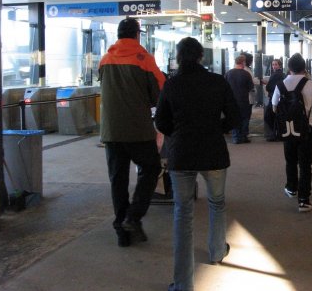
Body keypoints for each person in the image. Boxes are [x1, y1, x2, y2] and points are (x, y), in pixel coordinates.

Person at [154, 37, 240, 291]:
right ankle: (216, 252)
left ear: (179, 57)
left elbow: (161, 121)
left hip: (181, 155)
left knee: (183, 213)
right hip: (213, 152)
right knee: (217, 203)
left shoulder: (172, 85)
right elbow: (235, 116)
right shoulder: (217, 82)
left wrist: (177, 133)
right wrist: (218, 129)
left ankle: (183, 284)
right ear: (201, 56)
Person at [98, 17, 165, 247]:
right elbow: (160, 92)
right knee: (151, 168)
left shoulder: (105, 59)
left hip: (111, 132)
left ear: (118, 35)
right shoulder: (144, 59)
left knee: (118, 179)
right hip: (138, 130)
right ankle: (133, 217)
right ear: (137, 35)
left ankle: (122, 233)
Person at [272, 53, 312, 212]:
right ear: (304, 68)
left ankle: (291, 188)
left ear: (289, 68)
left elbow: (274, 107)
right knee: (305, 164)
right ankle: (304, 200)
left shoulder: (280, 84)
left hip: (288, 129)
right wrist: (310, 112)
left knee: (290, 160)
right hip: (305, 129)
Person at [225, 55, 254, 143]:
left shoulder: (228, 73)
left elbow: (225, 87)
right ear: (243, 63)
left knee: (234, 118)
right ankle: (243, 136)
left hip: (232, 100)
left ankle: (235, 137)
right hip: (244, 100)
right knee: (244, 118)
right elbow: (250, 88)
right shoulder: (246, 74)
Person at [263, 58, 285, 141]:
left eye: (276, 64)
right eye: (273, 64)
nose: (274, 66)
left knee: (269, 116)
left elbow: (269, 87)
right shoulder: (282, 74)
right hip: (279, 97)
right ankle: (278, 134)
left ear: (279, 65)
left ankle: (274, 134)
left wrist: (267, 85)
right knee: (276, 116)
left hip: (274, 97)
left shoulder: (276, 74)